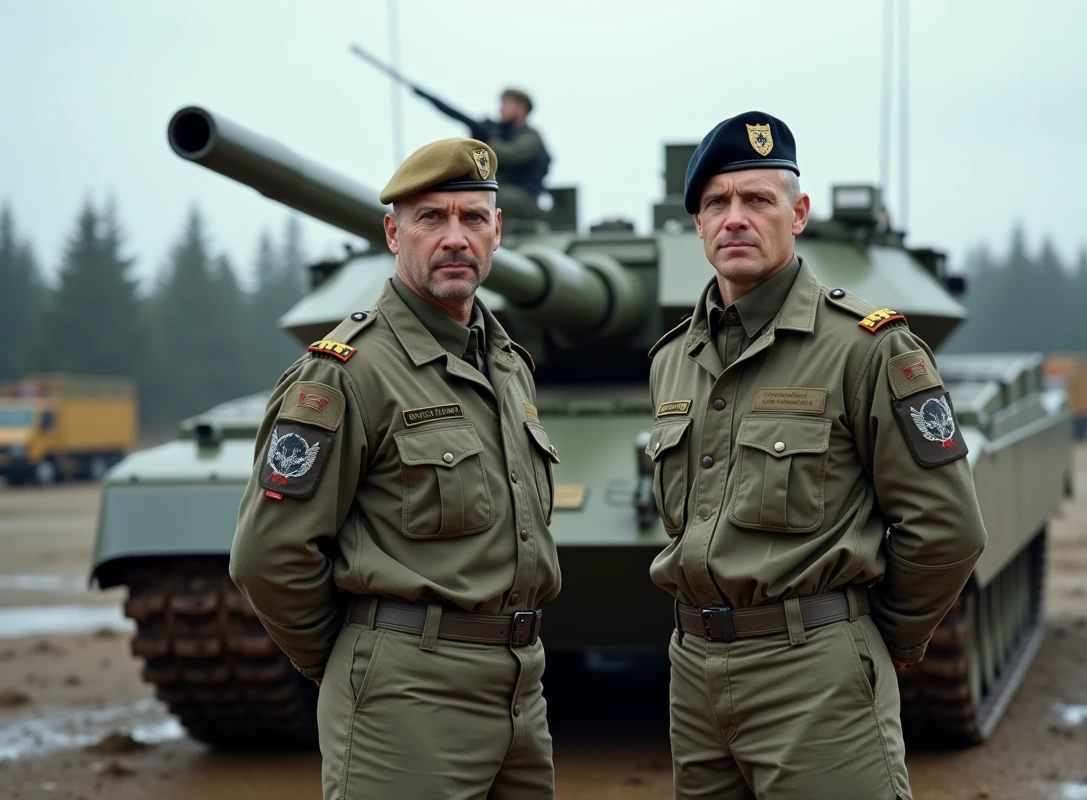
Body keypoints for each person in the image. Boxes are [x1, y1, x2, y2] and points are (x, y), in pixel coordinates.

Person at [643, 110, 988, 799]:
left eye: (757, 200)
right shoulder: (674, 360)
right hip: (695, 675)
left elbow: (947, 532)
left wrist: (868, 645)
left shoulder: (868, 348)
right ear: (698, 224)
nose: (735, 218)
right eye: (717, 203)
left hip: (815, 676)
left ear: (797, 213)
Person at [229, 137, 562, 800]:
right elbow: (268, 556)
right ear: (392, 231)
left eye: (472, 217)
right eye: (430, 218)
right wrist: (359, 661)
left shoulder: (507, 365)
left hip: (520, 690)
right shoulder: (345, 373)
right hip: (405, 697)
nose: (454, 237)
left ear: (498, 230)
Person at [416, 86, 551, 222]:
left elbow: (510, 155)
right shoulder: (500, 131)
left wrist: (489, 142)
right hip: (502, 191)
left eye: (505, 104)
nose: (500, 109)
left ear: (521, 108)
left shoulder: (531, 137)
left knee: (481, 195)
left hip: (525, 199)